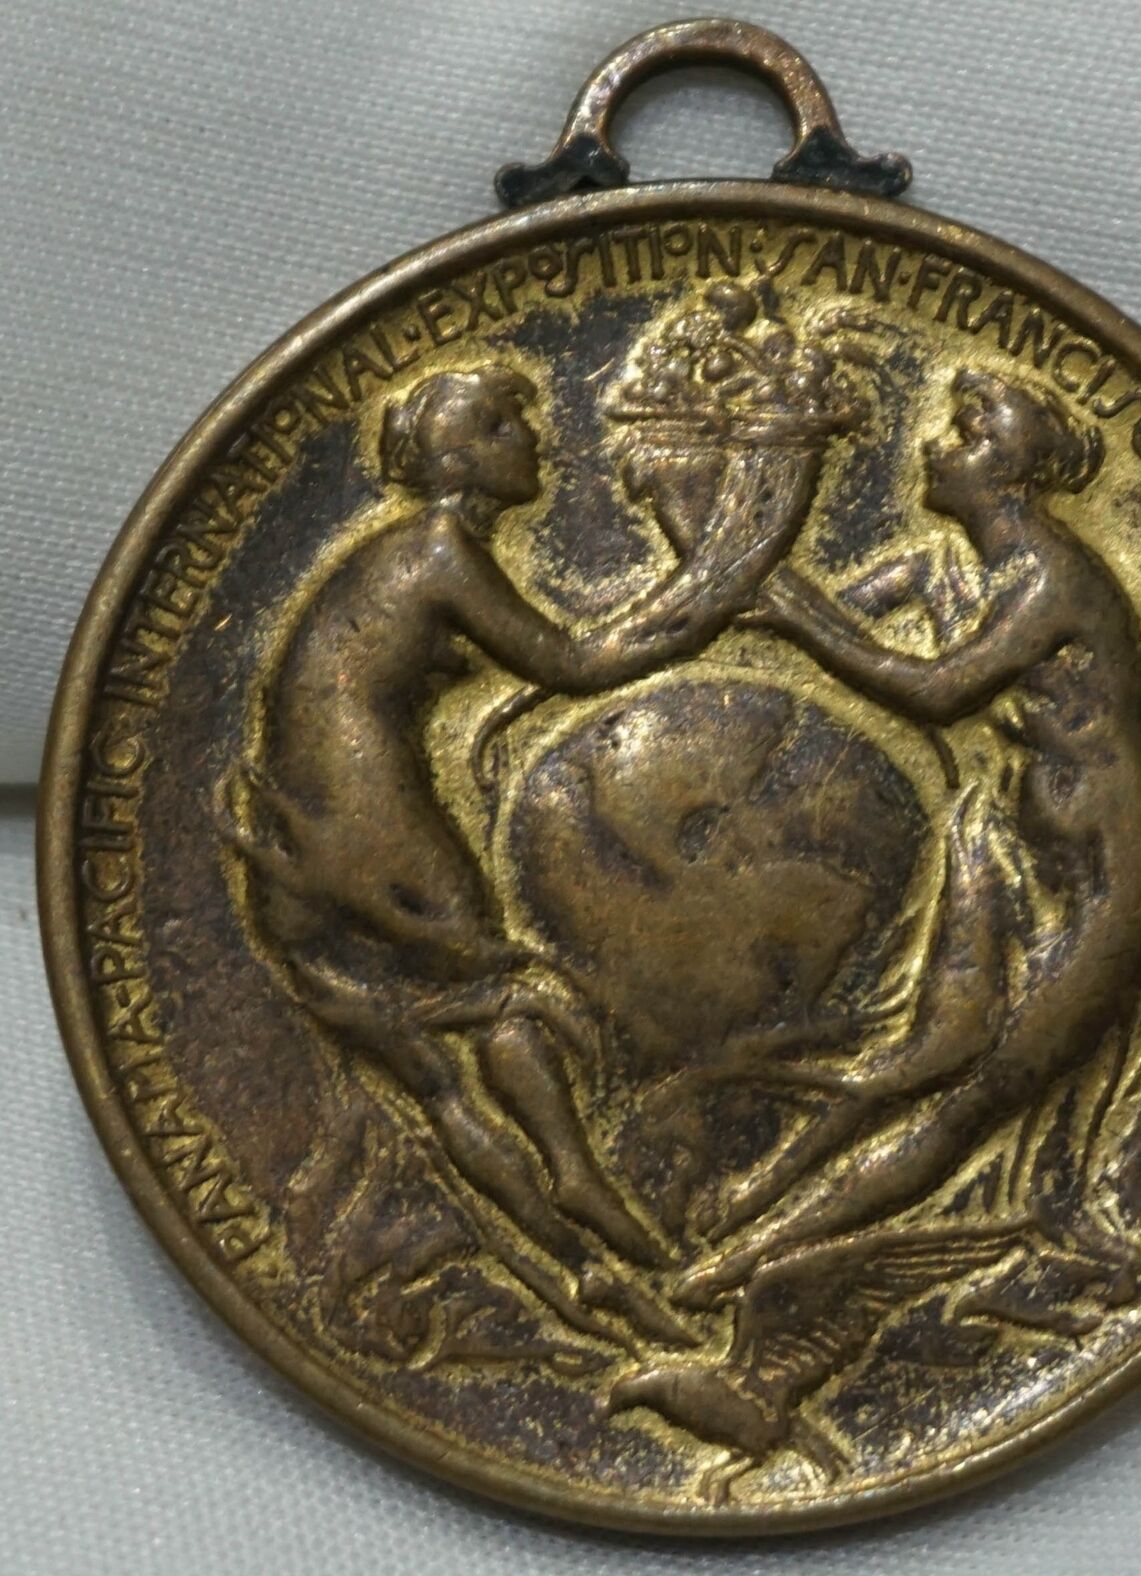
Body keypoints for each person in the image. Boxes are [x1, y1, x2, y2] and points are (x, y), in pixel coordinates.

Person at [229, 362, 825, 1336]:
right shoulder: (437, 551)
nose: (534, 437)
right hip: (369, 827)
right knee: (503, 1003)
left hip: (305, 832)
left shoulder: (398, 557)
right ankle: (576, 1183)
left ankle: (579, 1265)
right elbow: (575, 662)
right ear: (458, 457)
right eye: (506, 425)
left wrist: (710, 577)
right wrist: (717, 579)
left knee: (438, 1079)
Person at [676, 367, 1141, 1305]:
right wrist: (726, 562)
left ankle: (743, 1263)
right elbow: (809, 615)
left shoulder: (1051, 577)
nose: (937, 446)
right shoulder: (944, 567)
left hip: (1106, 877)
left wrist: (785, 607)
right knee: (920, 1055)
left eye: (967, 434)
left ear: (1011, 472)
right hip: (1009, 841)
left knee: (974, 1092)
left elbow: (939, 688)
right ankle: (756, 1194)